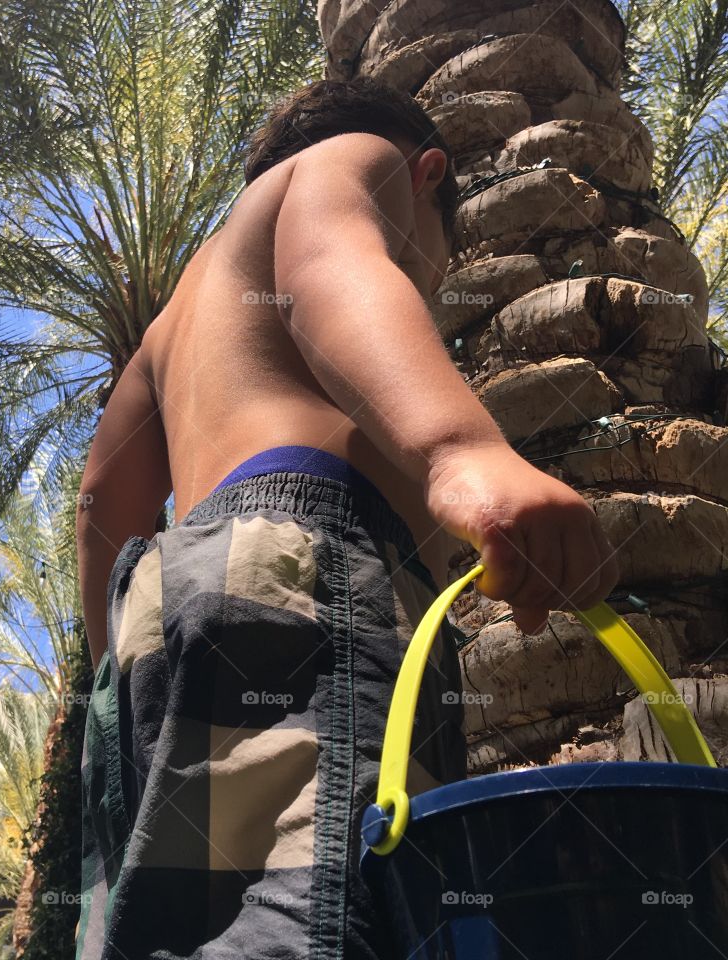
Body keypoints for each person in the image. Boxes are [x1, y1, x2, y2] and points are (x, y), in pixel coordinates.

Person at [74, 76, 619, 959]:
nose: (431, 284)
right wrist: (458, 450)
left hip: (170, 604)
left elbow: (105, 494)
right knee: (322, 921)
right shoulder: (355, 158)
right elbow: (329, 264)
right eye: (440, 254)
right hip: (306, 576)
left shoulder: (176, 314)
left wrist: (120, 665)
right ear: (426, 173)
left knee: (189, 935)